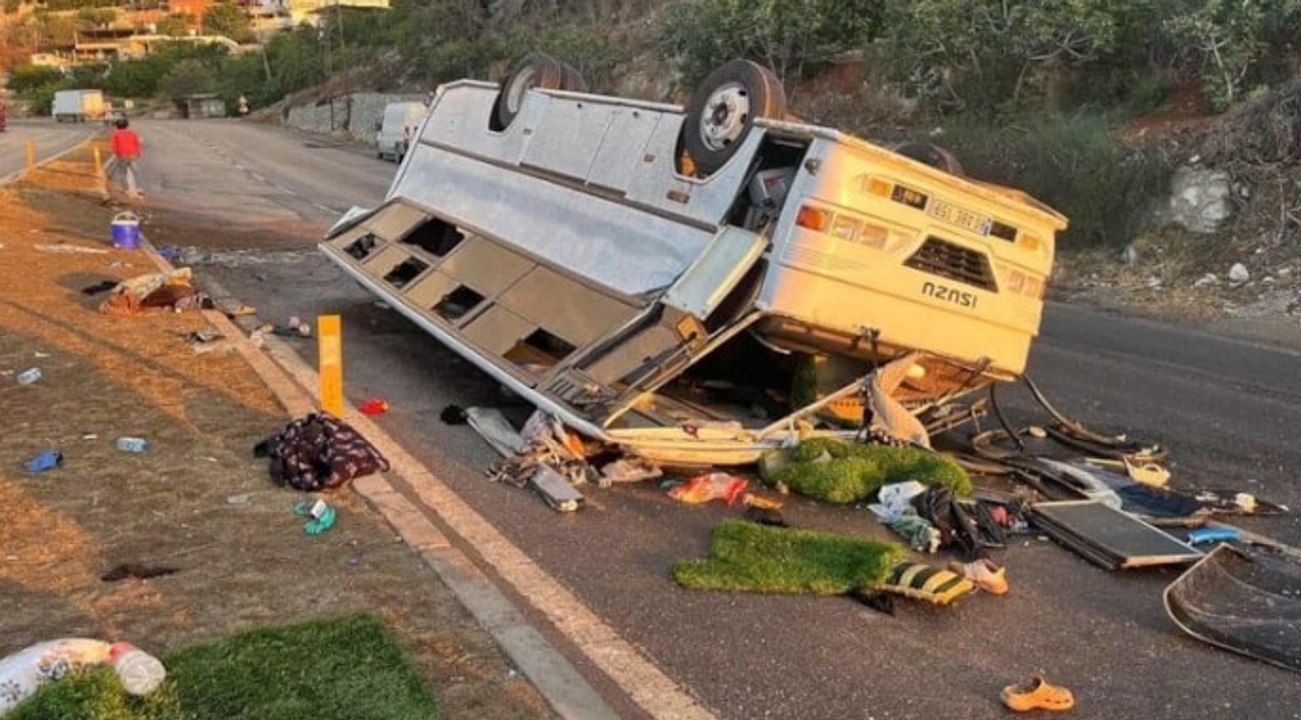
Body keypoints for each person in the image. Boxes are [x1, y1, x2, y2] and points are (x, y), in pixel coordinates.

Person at [107, 116, 142, 200]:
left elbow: (114, 146)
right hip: (133, 155)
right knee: (136, 171)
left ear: (117, 125)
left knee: (122, 173)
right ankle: (139, 188)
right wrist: (138, 153)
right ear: (127, 125)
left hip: (122, 156)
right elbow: (137, 143)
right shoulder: (132, 133)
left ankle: (125, 189)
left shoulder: (116, 134)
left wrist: (117, 154)